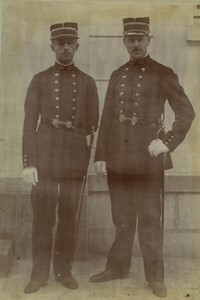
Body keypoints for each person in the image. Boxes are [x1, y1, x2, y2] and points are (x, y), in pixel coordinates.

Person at [89, 17, 195, 298]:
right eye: (130, 39)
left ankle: (155, 277)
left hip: (148, 160)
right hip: (119, 161)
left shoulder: (163, 72)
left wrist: (167, 143)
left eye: (140, 38)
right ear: (124, 42)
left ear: (150, 40)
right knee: (121, 218)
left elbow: (186, 112)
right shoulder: (117, 74)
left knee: (149, 219)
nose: (135, 43)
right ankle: (117, 268)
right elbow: (107, 117)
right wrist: (100, 156)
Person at [22, 22, 99, 294]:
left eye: (70, 43)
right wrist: (28, 161)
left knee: (68, 217)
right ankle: (39, 274)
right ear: (52, 46)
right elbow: (29, 123)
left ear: (77, 46)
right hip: (44, 157)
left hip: (73, 159)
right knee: (43, 218)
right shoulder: (39, 80)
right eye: (60, 43)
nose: (65, 47)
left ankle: (63, 271)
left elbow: (93, 122)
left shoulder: (88, 82)